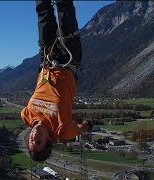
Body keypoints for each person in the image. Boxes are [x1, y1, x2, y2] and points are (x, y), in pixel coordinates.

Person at [21, 0, 92, 162]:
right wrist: (86, 124)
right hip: (69, 59)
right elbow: (81, 128)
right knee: (64, 7)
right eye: (38, 142)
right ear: (48, 142)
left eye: (31, 141)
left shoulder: (26, 116)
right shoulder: (62, 130)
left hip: (47, 58)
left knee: (43, 11)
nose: (33, 137)